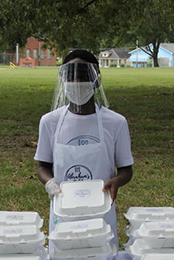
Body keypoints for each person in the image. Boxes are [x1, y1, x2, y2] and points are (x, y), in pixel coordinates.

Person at [35, 50, 133, 241]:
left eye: (83, 77)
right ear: (63, 81)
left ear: (97, 80)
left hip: (101, 210)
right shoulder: (50, 121)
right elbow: (43, 166)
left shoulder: (116, 122)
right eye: (72, 77)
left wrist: (117, 181)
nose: (77, 83)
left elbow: (126, 169)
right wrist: (50, 183)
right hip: (64, 209)